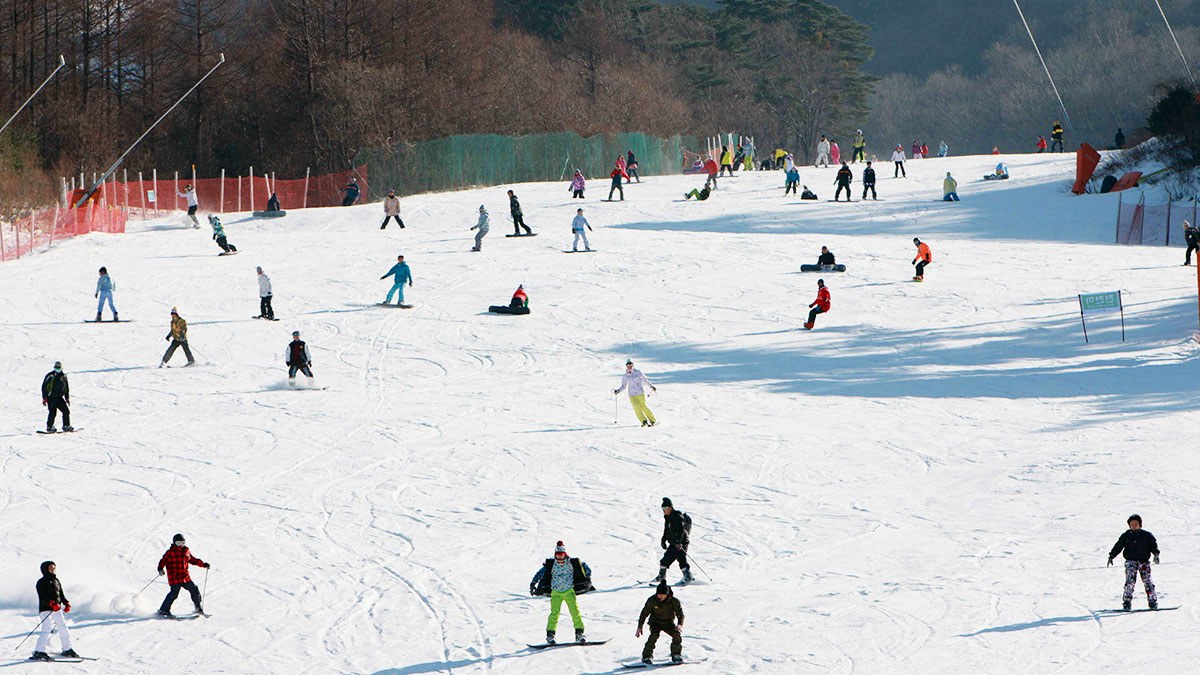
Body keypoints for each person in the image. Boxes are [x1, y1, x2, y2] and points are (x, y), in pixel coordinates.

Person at [529, 540, 593, 645]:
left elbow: (584, 566)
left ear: (564, 554)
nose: (559, 557)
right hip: (556, 592)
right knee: (554, 613)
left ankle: (579, 634)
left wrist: (587, 577)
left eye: (561, 555)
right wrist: (533, 582)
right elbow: (540, 573)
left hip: (569, 591)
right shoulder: (551, 564)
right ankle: (550, 636)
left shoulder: (571, 563)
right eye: (558, 555)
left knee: (575, 612)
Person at [1107, 514, 1160, 611]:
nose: (1134, 526)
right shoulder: (1126, 536)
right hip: (1131, 561)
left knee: (1148, 582)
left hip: (1144, 562)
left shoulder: (1147, 535)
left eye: (1136, 524)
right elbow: (1118, 546)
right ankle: (1127, 602)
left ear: (1140, 524)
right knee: (1130, 582)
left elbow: (1153, 545)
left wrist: (1156, 554)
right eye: (1132, 524)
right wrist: (1111, 556)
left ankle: (1152, 602)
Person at [30, 561, 78, 661]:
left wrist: (66, 603)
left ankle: (67, 649)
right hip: (45, 609)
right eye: (50, 568)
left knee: (63, 627)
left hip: (57, 609)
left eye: (54, 568)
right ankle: (39, 651)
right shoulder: (41, 582)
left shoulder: (56, 581)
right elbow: (42, 597)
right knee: (47, 628)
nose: (52, 570)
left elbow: (61, 595)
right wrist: (51, 604)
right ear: (45, 569)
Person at [156, 533, 210, 617]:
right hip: (174, 577)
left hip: (185, 577)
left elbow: (193, 560)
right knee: (174, 593)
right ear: (174, 543)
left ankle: (198, 607)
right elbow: (163, 561)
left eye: (182, 543)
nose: (181, 545)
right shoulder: (170, 552)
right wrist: (160, 569)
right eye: (178, 543)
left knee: (194, 589)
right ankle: (163, 610)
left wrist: (203, 564)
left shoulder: (186, 551)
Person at [636, 580, 685, 665]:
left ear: (667, 594)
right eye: (658, 594)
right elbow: (644, 613)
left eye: (662, 594)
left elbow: (680, 614)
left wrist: (680, 624)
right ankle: (647, 656)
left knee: (677, 636)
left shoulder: (674, 601)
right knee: (653, 637)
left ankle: (676, 655)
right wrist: (640, 626)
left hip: (668, 622)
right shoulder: (652, 600)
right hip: (655, 622)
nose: (660, 596)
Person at [654, 497, 691, 583]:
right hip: (673, 543)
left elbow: (681, 529)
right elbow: (666, 530)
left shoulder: (677, 516)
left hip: (681, 542)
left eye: (665, 508)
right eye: (663, 508)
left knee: (681, 559)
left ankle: (687, 577)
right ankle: (661, 576)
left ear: (670, 507)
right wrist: (663, 540)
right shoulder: (668, 517)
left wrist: (679, 541)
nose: (664, 510)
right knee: (665, 560)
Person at [614, 359, 656, 426]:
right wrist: (618, 391)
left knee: (643, 406)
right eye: (628, 365)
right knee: (636, 407)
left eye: (630, 365)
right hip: (631, 395)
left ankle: (652, 420)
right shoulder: (625, 376)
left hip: (640, 393)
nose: (629, 366)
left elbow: (645, 380)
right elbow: (623, 386)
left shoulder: (638, 373)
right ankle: (643, 421)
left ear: (633, 365)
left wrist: (651, 386)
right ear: (626, 366)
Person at [41, 361, 71, 433]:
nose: (57, 369)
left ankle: (66, 426)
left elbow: (66, 387)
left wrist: (67, 398)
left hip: (59, 398)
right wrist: (44, 398)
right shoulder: (50, 375)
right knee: (53, 412)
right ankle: (49, 427)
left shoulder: (64, 376)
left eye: (59, 368)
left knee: (66, 411)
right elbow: (44, 387)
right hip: (51, 398)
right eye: (56, 367)